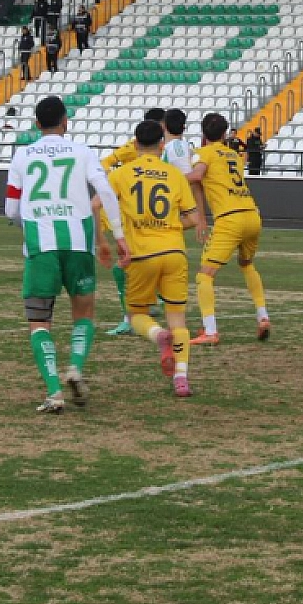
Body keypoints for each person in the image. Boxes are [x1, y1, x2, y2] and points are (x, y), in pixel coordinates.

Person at [6, 96, 129, 413]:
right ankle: (75, 367)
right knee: (84, 313)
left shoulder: (22, 156)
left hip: (40, 245)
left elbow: (11, 209)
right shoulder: (83, 151)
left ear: (36, 125)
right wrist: (118, 236)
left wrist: (30, 227)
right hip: (78, 243)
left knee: (38, 321)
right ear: (65, 122)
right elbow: (104, 192)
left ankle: (53, 392)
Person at [108, 119, 206, 398]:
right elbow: (193, 217)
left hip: (142, 254)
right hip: (174, 252)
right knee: (178, 319)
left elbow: (103, 205)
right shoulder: (174, 175)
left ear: (135, 144)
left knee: (137, 314)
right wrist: (168, 224)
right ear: (161, 145)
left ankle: (157, 335)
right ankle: (181, 377)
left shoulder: (121, 174)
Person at [187, 112, 272, 345]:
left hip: (230, 219)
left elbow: (197, 175)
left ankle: (210, 331)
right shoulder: (234, 155)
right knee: (247, 265)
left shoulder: (204, 153)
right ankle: (262, 316)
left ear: (203, 133)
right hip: (252, 215)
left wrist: (170, 176)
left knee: (204, 275)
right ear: (225, 134)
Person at [101, 109, 168, 334]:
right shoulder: (138, 148)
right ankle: (148, 303)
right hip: (149, 215)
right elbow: (106, 163)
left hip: (145, 215)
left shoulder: (160, 148)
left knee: (127, 265)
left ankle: (133, 316)